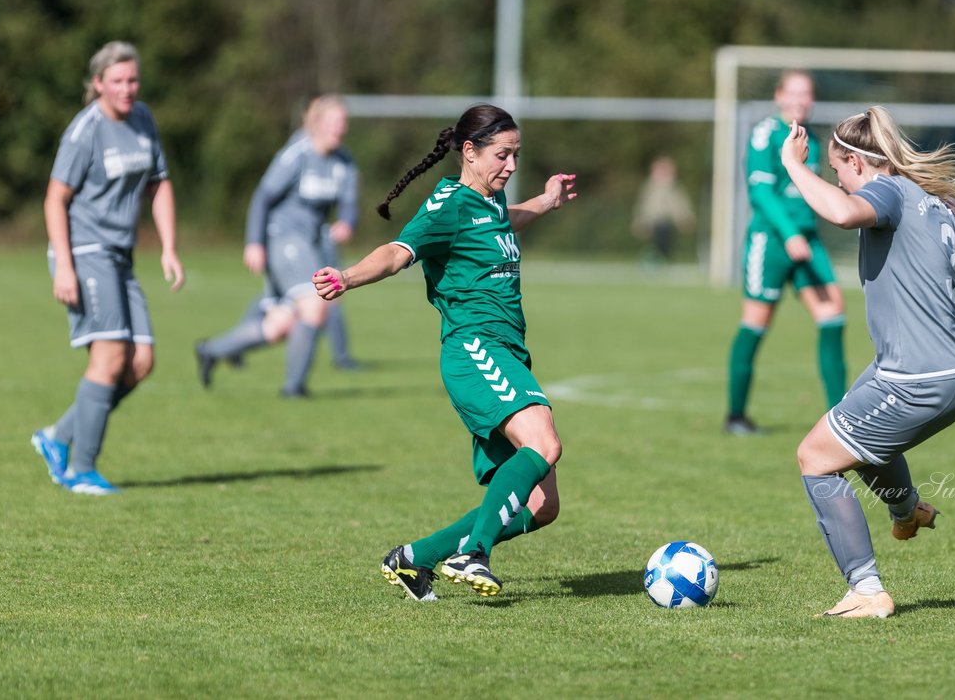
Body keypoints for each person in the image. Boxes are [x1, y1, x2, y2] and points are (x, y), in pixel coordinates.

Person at [311, 103, 577, 601]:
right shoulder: (450, 204)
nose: (511, 166)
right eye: (503, 155)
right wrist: (346, 277)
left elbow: (503, 222)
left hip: (508, 353)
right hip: (474, 349)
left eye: (517, 155)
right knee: (543, 442)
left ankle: (412, 559)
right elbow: (398, 252)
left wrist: (546, 201)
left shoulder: (490, 201)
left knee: (542, 506)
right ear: (470, 152)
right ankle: (473, 553)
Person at [780, 105, 955, 618]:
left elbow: (842, 213)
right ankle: (908, 510)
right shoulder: (936, 204)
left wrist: (794, 166)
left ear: (856, 161)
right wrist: (942, 334)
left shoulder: (889, 191)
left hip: (916, 377)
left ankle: (867, 591)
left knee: (816, 457)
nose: (839, 180)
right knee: (855, 424)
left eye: (837, 170)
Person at [30, 41, 185, 495]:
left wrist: (169, 247)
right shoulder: (85, 131)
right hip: (84, 251)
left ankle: (56, 437)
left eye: (132, 79)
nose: (126, 88)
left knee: (141, 362)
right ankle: (80, 469)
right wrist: (64, 266)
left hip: (121, 254)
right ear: (97, 83)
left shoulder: (143, 119)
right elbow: (55, 198)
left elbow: (159, 184)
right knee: (111, 356)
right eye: (116, 81)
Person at [194, 95, 357, 397]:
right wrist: (254, 242)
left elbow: (348, 203)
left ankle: (211, 350)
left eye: (343, 123)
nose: (340, 128)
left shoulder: (343, 161)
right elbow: (263, 197)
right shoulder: (297, 153)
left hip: (312, 242)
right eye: (334, 122)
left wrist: (347, 222)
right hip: (283, 238)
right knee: (315, 305)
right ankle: (293, 389)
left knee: (279, 325)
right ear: (316, 123)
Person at [724, 70, 847, 435]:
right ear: (779, 96)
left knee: (834, 316)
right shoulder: (766, 134)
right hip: (772, 243)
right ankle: (736, 416)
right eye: (793, 92)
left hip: (808, 242)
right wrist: (789, 233)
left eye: (806, 94)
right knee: (756, 324)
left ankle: (841, 419)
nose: (800, 100)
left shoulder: (815, 138)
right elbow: (760, 193)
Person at [631, 155, 695, 263]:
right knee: (656, 241)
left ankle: (663, 258)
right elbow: (644, 207)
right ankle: (655, 259)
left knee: (666, 240)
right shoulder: (650, 188)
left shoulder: (674, 189)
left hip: (668, 222)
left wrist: (685, 218)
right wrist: (640, 221)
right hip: (653, 222)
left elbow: (680, 206)